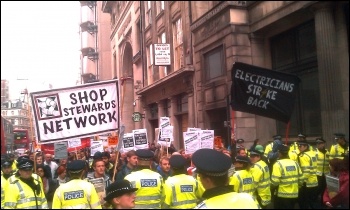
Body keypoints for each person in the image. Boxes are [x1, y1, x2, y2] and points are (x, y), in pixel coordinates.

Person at [191, 148, 259, 209]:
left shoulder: (203, 207)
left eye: (200, 177)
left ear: (208, 181)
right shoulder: (248, 199)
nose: (200, 180)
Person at [270, 144, 303, 209]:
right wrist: (297, 187)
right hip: (294, 194)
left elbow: (275, 182)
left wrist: (271, 188)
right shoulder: (295, 163)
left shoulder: (278, 164)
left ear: (279, 153)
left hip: (282, 195)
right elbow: (301, 179)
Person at [294, 140, 318, 209]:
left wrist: (301, 182)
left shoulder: (304, 156)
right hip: (314, 180)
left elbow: (306, 172)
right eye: (298, 146)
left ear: (306, 146)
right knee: (312, 201)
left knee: (303, 202)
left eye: (300, 146)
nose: (299, 147)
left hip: (306, 183)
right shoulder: (312, 153)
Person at [314, 137, 330, 207]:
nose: (318, 145)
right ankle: (316, 203)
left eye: (320, 144)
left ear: (323, 144)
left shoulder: (327, 152)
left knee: (324, 190)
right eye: (317, 144)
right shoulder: (315, 152)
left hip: (326, 175)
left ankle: (323, 204)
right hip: (318, 174)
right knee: (317, 190)